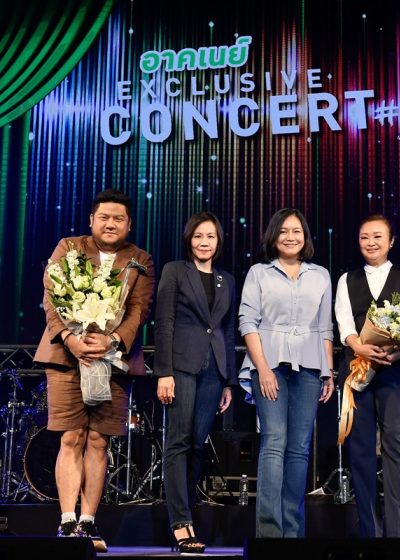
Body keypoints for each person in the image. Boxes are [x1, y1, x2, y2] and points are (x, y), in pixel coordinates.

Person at [34, 189, 155, 552]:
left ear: (129, 224)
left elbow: (140, 309)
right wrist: (71, 340)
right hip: (66, 358)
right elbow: (51, 296)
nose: (110, 224)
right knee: (71, 436)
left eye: (118, 218)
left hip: (113, 362)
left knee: (99, 440)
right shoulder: (69, 247)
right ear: (91, 220)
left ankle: (88, 520)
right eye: (104, 217)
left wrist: (113, 340)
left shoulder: (140, 259)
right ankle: (67, 520)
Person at [238, 208, 335, 538]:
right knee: (275, 441)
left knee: (299, 448)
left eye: (296, 231)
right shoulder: (259, 273)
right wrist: (263, 368)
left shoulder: (320, 275)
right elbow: (247, 322)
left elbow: (325, 327)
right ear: (273, 236)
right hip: (269, 364)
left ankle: (292, 534)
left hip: (310, 366)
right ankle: (269, 533)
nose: (290, 237)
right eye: (283, 231)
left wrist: (328, 372)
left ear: (305, 237)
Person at [154, 211, 237, 553]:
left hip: (214, 370)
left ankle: (187, 517)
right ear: (189, 239)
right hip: (181, 366)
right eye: (198, 236)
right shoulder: (175, 270)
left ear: (219, 241)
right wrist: (164, 372)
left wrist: (228, 380)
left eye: (210, 236)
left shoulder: (226, 279)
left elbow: (227, 330)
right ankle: (180, 523)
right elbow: (164, 321)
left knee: (197, 445)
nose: (204, 242)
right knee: (179, 441)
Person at [334, 214, 400, 537]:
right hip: (357, 369)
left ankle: (399, 534)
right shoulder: (347, 279)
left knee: (397, 445)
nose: (370, 243)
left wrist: (398, 351)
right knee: (360, 449)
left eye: (377, 237)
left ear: (391, 241)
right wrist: (359, 346)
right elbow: (344, 321)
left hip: (395, 370)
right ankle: (370, 532)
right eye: (364, 237)